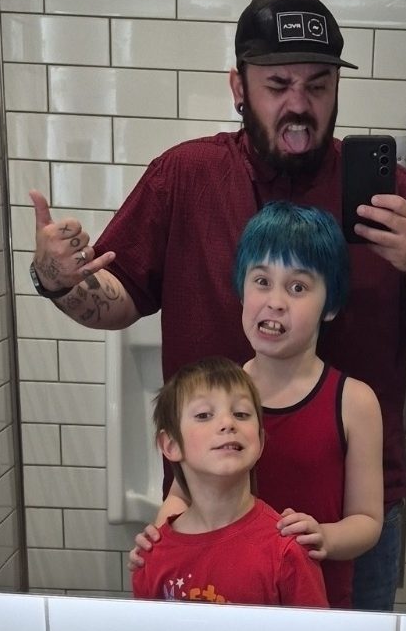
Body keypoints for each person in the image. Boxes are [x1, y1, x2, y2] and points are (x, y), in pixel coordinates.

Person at [29, 0, 406, 610]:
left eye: (318, 85)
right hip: (210, 505)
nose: (299, 104)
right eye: (277, 84)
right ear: (238, 87)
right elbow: (119, 297)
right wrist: (59, 278)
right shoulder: (186, 178)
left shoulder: (396, 199)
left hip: (349, 518)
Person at [130, 202, 384, 608]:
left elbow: (368, 520)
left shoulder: (354, 402)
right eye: (262, 281)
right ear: (241, 290)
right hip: (226, 595)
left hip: (314, 604)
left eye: (297, 287)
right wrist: (160, 538)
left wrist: (325, 536)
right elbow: (181, 492)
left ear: (331, 305)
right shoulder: (219, 397)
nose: (276, 301)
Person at [130, 356, 328, 608]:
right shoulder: (152, 556)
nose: (227, 423)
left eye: (241, 414)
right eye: (204, 415)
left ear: (260, 441)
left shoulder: (287, 550)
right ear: (171, 445)